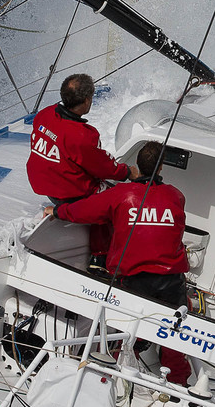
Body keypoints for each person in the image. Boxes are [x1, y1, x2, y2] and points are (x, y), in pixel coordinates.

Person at [45, 141, 192, 386]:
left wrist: (57, 212)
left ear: (137, 166)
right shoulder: (176, 196)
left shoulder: (121, 195)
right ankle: (179, 384)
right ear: (162, 166)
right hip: (171, 281)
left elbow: (85, 210)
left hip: (133, 281)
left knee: (127, 335)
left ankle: (111, 379)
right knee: (173, 337)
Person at [28, 73, 137, 270]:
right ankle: (100, 257)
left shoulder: (45, 114)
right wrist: (128, 172)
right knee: (112, 200)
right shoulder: (82, 135)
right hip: (68, 194)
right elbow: (105, 168)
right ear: (87, 101)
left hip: (44, 185)